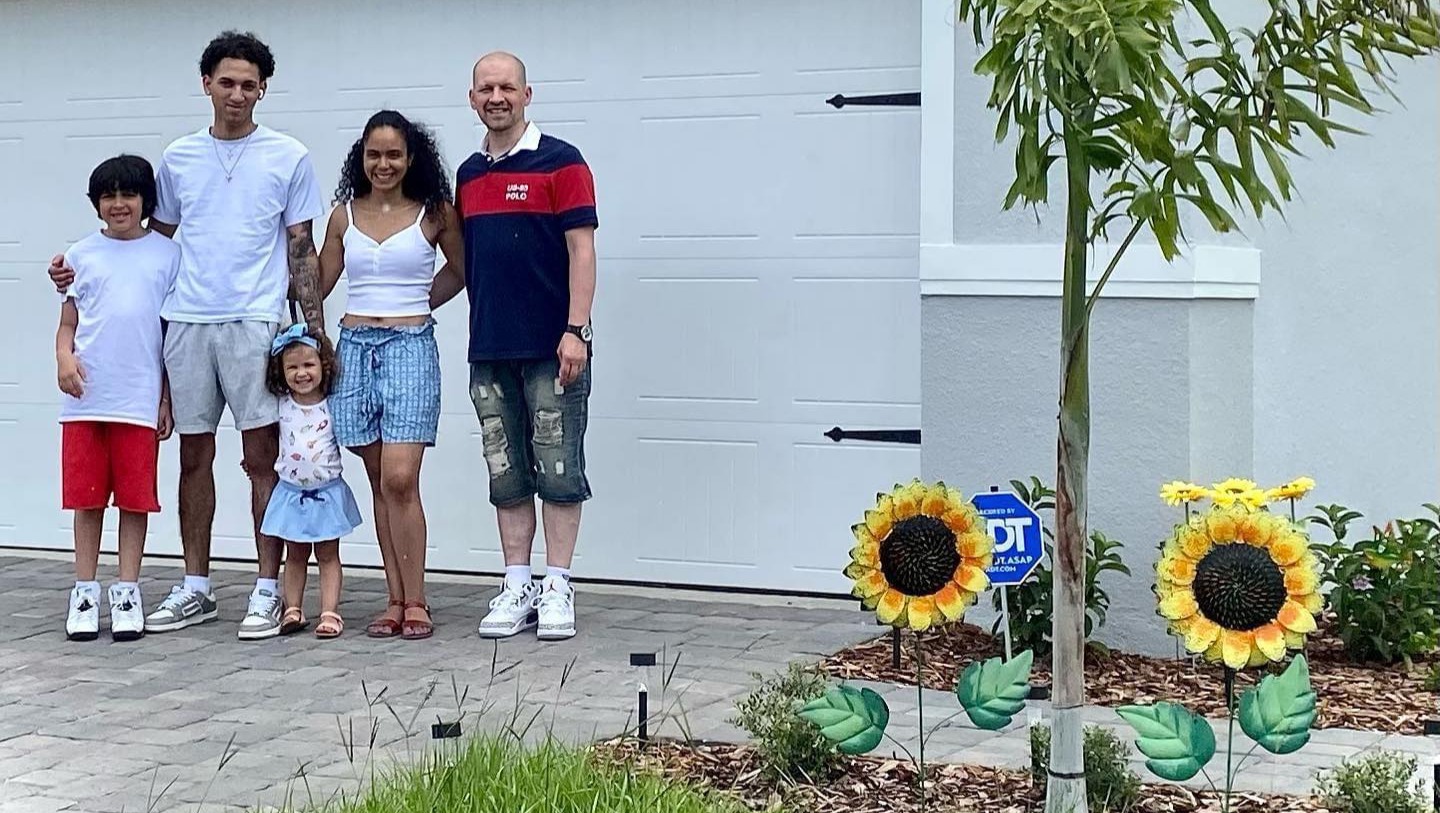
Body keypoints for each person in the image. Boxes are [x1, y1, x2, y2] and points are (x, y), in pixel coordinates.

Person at [47, 30, 327, 641]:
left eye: (249, 85)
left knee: (262, 459)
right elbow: (151, 242)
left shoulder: (289, 155)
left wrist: (314, 333)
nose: (237, 94)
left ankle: (266, 589)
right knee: (193, 457)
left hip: (256, 322)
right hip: (188, 323)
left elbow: (301, 246)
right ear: (206, 84)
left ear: (263, 90)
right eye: (226, 82)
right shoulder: (178, 157)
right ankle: (197, 586)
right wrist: (77, 269)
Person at [431, 51, 598, 641]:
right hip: (490, 349)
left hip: (553, 348)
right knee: (505, 471)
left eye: (507, 87)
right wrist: (408, 306)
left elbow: (582, 250)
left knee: (558, 467)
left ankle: (558, 585)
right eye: (486, 88)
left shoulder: (562, 162)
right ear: (471, 98)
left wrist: (576, 330)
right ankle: (517, 584)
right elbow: (464, 264)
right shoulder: (469, 174)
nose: (496, 97)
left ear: (528, 94)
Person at [319, 110, 463, 641]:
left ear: (411, 157)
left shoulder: (435, 211)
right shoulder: (343, 216)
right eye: (374, 154)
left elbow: (461, 270)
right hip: (354, 347)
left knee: (401, 477)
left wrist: (419, 305)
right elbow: (318, 282)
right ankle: (395, 599)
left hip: (409, 347)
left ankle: (417, 599)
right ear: (361, 157)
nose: (384, 164)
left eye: (394, 154)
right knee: (380, 479)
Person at [55, 155, 179, 642]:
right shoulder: (80, 256)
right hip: (87, 399)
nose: (119, 204)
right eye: (108, 196)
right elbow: (68, 325)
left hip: (138, 400)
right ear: (96, 203)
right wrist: (64, 359)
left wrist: (165, 398)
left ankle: (127, 591)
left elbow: (169, 336)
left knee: (134, 500)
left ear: (147, 201)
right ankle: (84, 591)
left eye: (129, 194)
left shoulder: (167, 256)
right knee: (87, 500)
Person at [257, 324, 360, 639]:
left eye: (308, 365)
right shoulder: (281, 404)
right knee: (296, 555)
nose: (301, 373)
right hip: (291, 494)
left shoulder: (331, 404)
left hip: (326, 494)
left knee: (328, 555)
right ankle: (293, 609)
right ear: (281, 370)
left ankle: (330, 612)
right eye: (292, 367)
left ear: (323, 365)